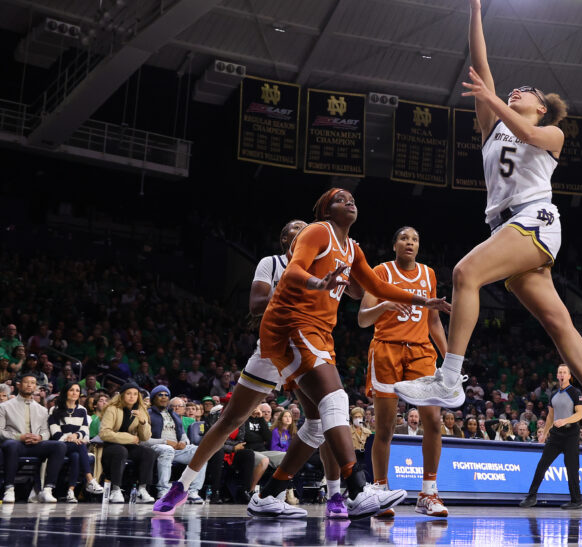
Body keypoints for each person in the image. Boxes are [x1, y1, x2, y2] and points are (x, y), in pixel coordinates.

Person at [394, 0, 582, 443]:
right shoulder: (492, 126)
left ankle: (449, 380)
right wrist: (476, 8)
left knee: (465, 274)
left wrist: (493, 101)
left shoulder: (552, 135)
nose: (514, 93)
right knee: (557, 322)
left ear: (542, 108)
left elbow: (523, 133)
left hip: (534, 220)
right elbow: (481, 65)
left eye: (525, 92)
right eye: (511, 90)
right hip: (507, 228)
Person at [257, 189, 450, 521]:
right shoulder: (318, 230)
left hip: (318, 331)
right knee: (336, 402)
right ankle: (359, 489)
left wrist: (423, 302)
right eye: (339, 198)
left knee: (317, 425)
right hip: (292, 323)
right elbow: (292, 272)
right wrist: (319, 284)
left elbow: (375, 286)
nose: (349, 201)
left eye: (351, 198)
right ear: (326, 209)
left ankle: (267, 494)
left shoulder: (352, 248)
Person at [154, 219, 348, 517]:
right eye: (297, 229)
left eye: (308, 228)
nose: (306, 232)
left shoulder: (321, 266)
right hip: (274, 347)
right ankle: (181, 485)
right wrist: (296, 295)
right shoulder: (271, 263)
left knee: (323, 420)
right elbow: (257, 303)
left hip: (307, 346)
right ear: (285, 240)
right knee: (230, 419)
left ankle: (334, 497)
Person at [358, 225, 450, 518]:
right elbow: (362, 318)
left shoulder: (428, 274)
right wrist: (385, 304)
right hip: (387, 350)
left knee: (434, 421)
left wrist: (450, 358)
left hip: (422, 352)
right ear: (394, 244)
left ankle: (428, 493)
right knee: (384, 428)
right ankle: (382, 492)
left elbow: (434, 321)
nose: (409, 242)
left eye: (415, 239)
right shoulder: (381, 272)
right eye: (404, 238)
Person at [520, 364, 582, 510]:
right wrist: (544, 433)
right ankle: (531, 497)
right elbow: (550, 416)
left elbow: (579, 414)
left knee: (572, 468)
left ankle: (577, 500)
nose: (562, 375)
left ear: (569, 376)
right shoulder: (554, 394)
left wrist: (565, 420)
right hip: (556, 434)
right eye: (559, 372)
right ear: (557, 376)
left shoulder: (575, 392)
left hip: (571, 434)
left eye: (564, 372)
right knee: (542, 464)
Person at [0, 374, 66, 503]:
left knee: (60, 446)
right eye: (26, 382)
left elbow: (46, 431)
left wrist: (40, 437)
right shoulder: (4, 407)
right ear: (19, 385)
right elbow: (0, 431)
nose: (30, 385)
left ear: (36, 386)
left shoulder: (42, 409)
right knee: (11, 445)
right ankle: (9, 488)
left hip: (35, 444)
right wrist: (20, 437)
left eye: (33, 383)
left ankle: (47, 489)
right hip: (16, 443)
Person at [98, 382, 158, 503]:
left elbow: (145, 437)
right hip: (110, 446)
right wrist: (129, 438)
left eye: (135, 394)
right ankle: (116, 489)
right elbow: (104, 433)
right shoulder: (112, 409)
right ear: (122, 395)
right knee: (121, 451)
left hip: (129, 446)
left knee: (149, 453)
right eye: (128, 393)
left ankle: (142, 490)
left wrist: (143, 423)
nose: (132, 396)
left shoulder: (141, 411)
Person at [147, 384, 206, 503]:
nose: (164, 397)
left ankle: (193, 491)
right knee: (167, 449)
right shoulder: (148, 414)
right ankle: (163, 491)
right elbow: (144, 440)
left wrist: (184, 442)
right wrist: (166, 442)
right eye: (160, 395)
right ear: (153, 398)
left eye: (166, 395)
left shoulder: (173, 414)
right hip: (155, 446)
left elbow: (183, 434)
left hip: (176, 448)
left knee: (200, 452)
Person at [47, 381, 104, 501]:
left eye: (77, 390)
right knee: (80, 446)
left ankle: (70, 492)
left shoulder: (82, 410)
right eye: (71, 390)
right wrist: (70, 438)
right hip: (60, 446)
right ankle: (90, 479)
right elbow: (55, 433)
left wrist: (76, 435)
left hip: (75, 445)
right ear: (65, 392)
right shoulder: (54, 409)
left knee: (76, 455)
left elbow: (85, 431)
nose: (74, 393)